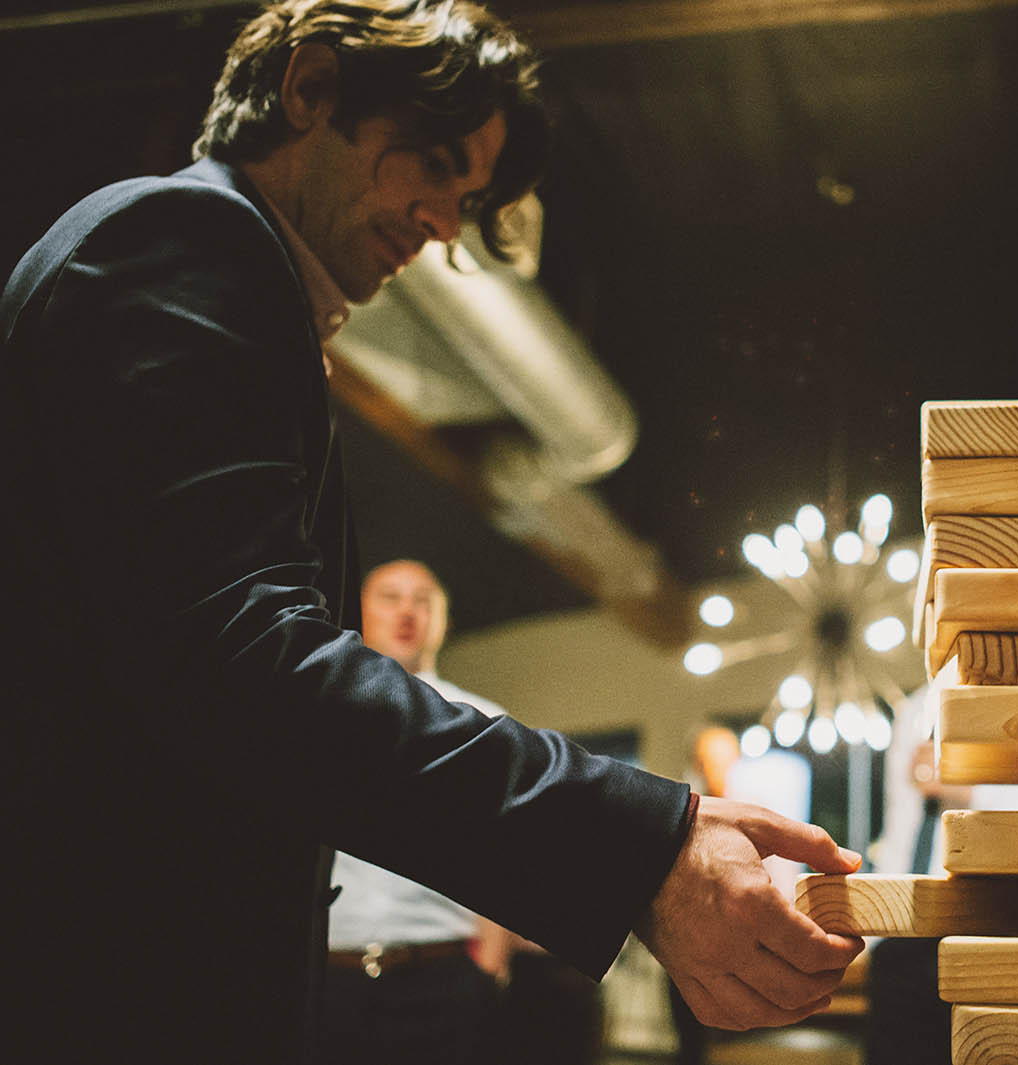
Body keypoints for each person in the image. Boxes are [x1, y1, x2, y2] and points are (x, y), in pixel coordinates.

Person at [0, 3, 862, 1063]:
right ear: (309, 90)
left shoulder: (221, 276)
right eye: (438, 167)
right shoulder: (181, 244)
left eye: (467, 200)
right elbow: (244, 659)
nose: (446, 225)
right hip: (105, 986)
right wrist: (640, 846)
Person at [322, 558, 591, 1065]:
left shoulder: (482, 721)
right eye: (390, 597)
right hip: (329, 978)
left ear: (440, 620)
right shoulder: (321, 710)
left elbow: (507, 848)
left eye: (421, 600)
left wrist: (490, 963)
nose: (407, 610)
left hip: (442, 980)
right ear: (358, 610)